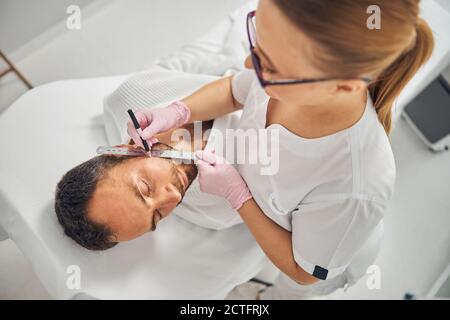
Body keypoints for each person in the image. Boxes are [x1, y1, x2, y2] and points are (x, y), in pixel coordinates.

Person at [127, 0, 434, 298]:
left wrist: (238, 196)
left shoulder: (354, 186)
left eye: (268, 64)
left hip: (318, 260)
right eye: (257, 38)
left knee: (288, 292)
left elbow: (303, 270)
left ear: (343, 86)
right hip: (283, 221)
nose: (250, 62)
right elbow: (236, 89)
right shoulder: (291, 79)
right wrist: (177, 111)